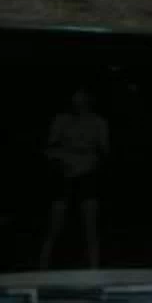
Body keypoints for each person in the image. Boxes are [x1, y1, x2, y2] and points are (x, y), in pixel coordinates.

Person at [39, 87, 110, 270]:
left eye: (82, 98)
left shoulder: (98, 122)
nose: (78, 102)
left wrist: (89, 160)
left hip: (87, 176)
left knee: (90, 228)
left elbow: (104, 152)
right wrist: (62, 160)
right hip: (64, 176)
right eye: (74, 98)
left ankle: (95, 270)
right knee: (53, 227)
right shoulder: (61, 120)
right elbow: (49, 148)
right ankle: (42, 269)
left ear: (89, 99)